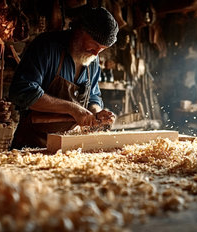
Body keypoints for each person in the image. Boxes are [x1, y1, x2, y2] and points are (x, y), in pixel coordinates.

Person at [9, 6, 118, 149]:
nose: (97, 53)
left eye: (102, 49)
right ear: (80, 31)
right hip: (32, 147)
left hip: (70, 150)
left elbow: (93, 96)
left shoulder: (92, 59)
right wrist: (72, 108)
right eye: (95, 45)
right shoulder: (46, 47)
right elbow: (22, 91)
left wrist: (97, 113)